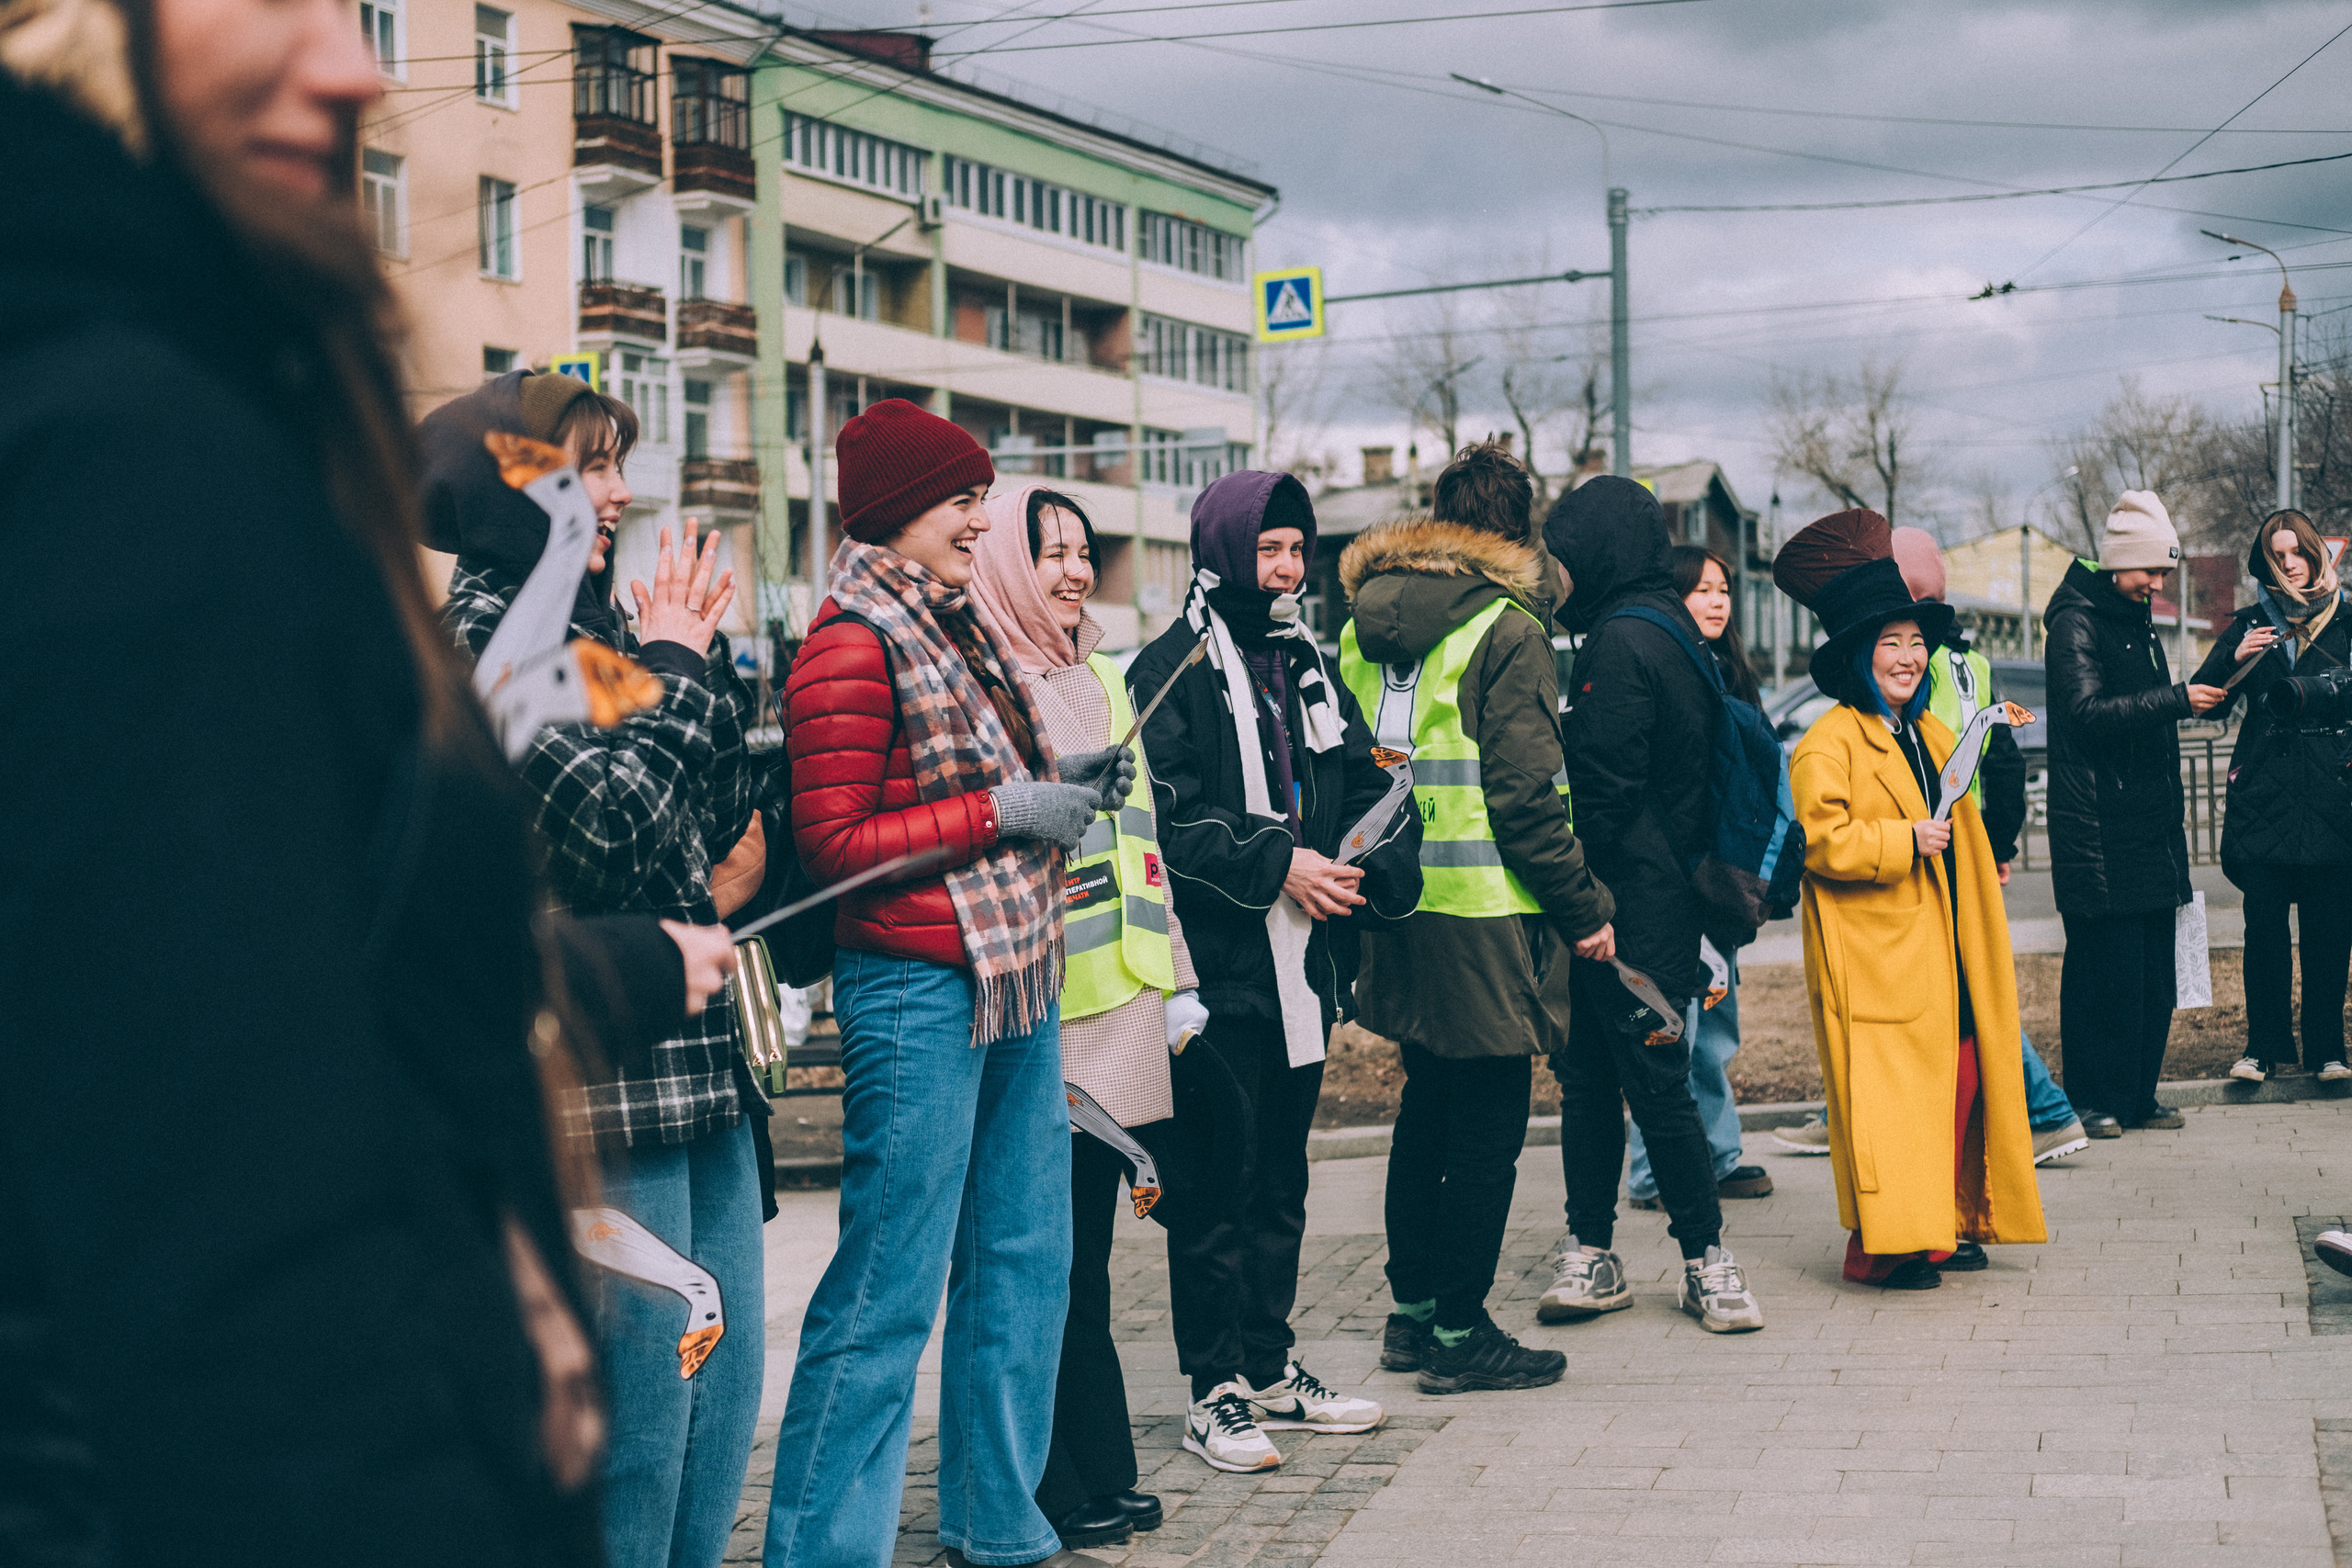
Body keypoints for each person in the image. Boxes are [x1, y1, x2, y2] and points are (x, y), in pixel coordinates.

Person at [0, 0, 729, 1557]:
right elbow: (218, 1168)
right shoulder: (123, 445)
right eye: (273, 1)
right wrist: (678, 680)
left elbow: (344, 956)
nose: (353, 67)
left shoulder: (226, 410)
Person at [764, 400, 1127, 1568]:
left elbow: (973, 781)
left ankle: (996, 1522)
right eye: (965, 501)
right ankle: (821, 1550)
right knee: (888, 1289)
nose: (983, 520)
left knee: (1024, 1266)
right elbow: (834, 845)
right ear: (899, 510)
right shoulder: (850, 641)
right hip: (915, 991)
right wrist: (1003, 811)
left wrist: (1063, 784)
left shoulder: (953, 625)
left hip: (1015, 975)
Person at [429, 369, 770, 1568]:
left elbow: (719, 815)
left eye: (619, 466)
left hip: (701, 1062)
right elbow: (616, 837)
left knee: (724, 1387)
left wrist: (692, 665)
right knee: (641, 1417)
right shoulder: (485, 635)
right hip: (602, 1079)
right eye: (590, 468)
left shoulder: (605, 625)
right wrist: (677, 666)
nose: (619, 493)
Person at [1128, 471, 1420, 1472]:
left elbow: (1368, 777)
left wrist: (1366, 853)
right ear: (1221, 550)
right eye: (1268, 549)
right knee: (1217, 1182)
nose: (1287, 569)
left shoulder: (1306, 662)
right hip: (1219, 973)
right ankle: (1212, 1388)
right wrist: (1280, 862)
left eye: (1297, 549)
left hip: (1304, 965)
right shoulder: (1171, 667)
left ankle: (1267, 1364)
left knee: (1281, 1178)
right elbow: (1166, 820)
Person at [1339, 443, 1616, 1395]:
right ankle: (1461, 1334)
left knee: (1424, 1111)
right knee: (1489, 1129)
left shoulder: (1363, 625)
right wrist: (1584, 906)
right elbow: (1525, 794)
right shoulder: (1506, 626)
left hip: (1395, 904)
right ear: (1517, 534)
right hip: (1488, 913)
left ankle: (1412, 1314)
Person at [966, 483, 1197, 1553]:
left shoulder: (1102, 675)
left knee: (1086, 1258)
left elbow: (1145, 846)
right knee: (1039, 1262)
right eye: (1047, 550)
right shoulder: (992, 683)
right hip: (1042, 1011)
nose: (1071, 570)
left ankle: (1096, 1467)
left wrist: (1177, 978)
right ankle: (1052, 1481)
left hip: (1124, 1004)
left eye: (1080, 550)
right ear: (1006, 564)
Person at [1775, 510, 2047, 1290]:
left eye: (1916, 641)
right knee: (1892, 1105)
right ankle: (1883, 1247)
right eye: (1890, 642)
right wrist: (1902, 842)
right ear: (1858, 654)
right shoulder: (1828, 741)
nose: (1908, 655)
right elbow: (1819, 840)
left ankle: (1941, 1222)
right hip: (1878, 962)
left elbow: (1961, 826)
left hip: (1944, 949)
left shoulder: (1928, 731)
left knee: (1959, 1081)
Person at [1535, 477, 1765, 1335]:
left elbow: (1603, 789)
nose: (1560, 575)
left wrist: (1581, 903)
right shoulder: (1671, 630)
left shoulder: (1621, 641)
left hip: (1623, 914)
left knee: (1640, 1088)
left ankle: (1699, 1261)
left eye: (1567, 556)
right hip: (1660, 902)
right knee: (1608, 1081)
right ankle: (1608, 1253)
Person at [1894, 527, 2091, 1160]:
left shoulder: (1913, 665)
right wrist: (1999, 844)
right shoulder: (1972, 664)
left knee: (1959, 986)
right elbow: (2001, 759)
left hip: (1931, 841)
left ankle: (2048, 1110)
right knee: (1959, 981)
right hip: (1969, 837)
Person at [2044, 492, 2226, 1134]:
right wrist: (2177, 700)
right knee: (2104, 972)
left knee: (2150, 972)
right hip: (2098, 829)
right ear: (2120, 561)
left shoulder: (2135, 617)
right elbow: (2085, 714)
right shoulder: (2075, 622)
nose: (2158, 584)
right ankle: (2090, 1099)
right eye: (2151, 570)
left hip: (2148, 827)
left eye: (2164, 572)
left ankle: (2137, 1095)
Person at [1623, 545, 1778, 1211]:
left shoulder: (1731, 674)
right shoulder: (1664, 667)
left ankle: (1715, 1155)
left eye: (1723, 589)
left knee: (1714, 1026)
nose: (1717, 601)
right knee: (1670, 1026)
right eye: (1701, 589)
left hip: (1722, 878)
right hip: (1675, 878)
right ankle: (1655, 1172)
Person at [2189, 511, 2352, 1084]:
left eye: (2298, 552)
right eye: (2277, 556)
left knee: (2329, 931)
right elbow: (2204, 702)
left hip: (2333, 797)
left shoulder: (2346, 621)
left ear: (2317, 554)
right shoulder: (2251, 624)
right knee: (2263, 931)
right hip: (2263, 797)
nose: (2289, 564)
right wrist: (2232, 659)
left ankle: (2328, 1051)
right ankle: (2261, 1048)